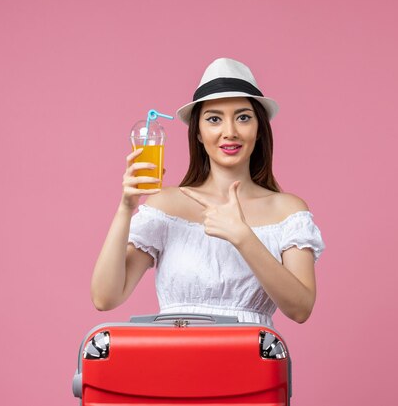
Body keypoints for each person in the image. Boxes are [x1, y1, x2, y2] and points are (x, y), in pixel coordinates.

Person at [91, 58, 325, 326]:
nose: (230, 131)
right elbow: (104, 298)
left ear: (259, 129)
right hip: (173, 362)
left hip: (250, 364)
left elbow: (300, 309)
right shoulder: (167, 205)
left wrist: (244, 238)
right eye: (214, 119)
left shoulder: (288, 211)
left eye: (243, 118)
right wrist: (126, 208)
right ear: (199, 133)